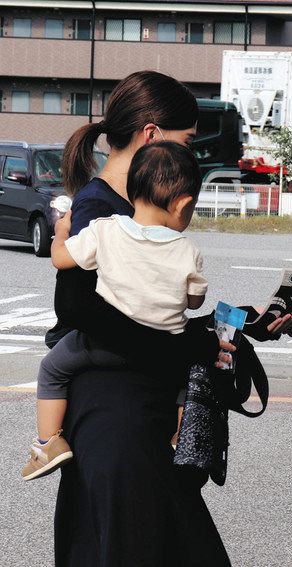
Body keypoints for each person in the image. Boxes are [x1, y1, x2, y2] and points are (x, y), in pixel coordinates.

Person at [43, 70, 292, 566]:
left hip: (137, 409)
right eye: (188, 140)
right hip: (115, 412)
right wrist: (189, 346)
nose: (194, 154)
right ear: (151, 135)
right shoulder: (101, 211)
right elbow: (80, 310)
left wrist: (245, 320)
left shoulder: (141, 210)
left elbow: (156, 315)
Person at [22, 141, 228, 481]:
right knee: (187, 380)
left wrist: (61, 234)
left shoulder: (105, 229)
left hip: (101, 347)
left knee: (52, 370)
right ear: (183, 204)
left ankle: (48, 443)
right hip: (164, 353)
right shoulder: (188, 251)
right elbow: (195, 302)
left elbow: (61, 259)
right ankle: (181, 439)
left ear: (132, 194)